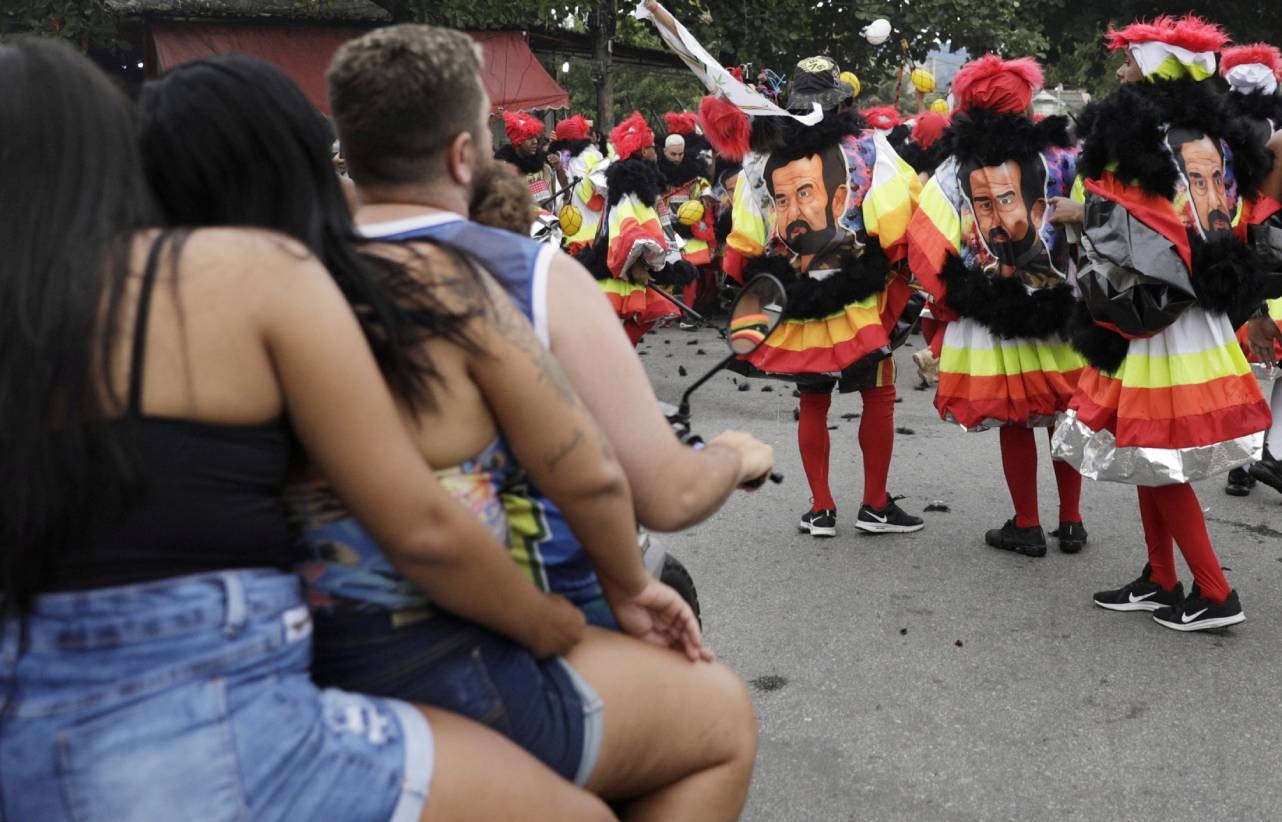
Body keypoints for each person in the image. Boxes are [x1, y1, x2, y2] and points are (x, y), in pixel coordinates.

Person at [0, 38, 613, 822]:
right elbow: (427, 531)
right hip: (226, 719)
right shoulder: (243, 277)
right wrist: (550, 623)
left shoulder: (46, 336)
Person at [329, 26, 761, 817]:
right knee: (723, 714)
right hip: (475, 646)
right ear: (466, 155)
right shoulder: (524, 276)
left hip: (312, 650)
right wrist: (733, 454)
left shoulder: (285, 266)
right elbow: (655, 493)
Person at [1052, 15, 1274, 631]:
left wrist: (1079, 209)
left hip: (1154, 315)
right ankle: (1160, 577)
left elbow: (1137, 223)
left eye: (1128, 59)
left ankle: (1215, 592)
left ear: (1154, 68)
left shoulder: (1142, 137)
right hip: (1193, 310)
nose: (1121, 68)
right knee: (1149, 451)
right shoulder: (1212, 136)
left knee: (1158, 450)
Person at [696, 51, 926, 538]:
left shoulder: (760, 159)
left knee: (814, 400)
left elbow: (744, 240)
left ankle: (821, 507)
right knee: (879, 393)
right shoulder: (866, 146)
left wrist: (754, 275)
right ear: (839, 101)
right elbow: (896, 219)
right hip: (861, 297)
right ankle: (875, 505)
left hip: (797, 296)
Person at [906, 54, 1087, 557]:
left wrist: (953, 296)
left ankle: (1026, 524)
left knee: (1015, 418)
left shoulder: (954, 167)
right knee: (1062, 411)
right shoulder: (1059, 156)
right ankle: (1071, 521)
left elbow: (926, 242)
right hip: (1057, 304)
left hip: (991, 311)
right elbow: (1096, 216)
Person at [1219, 43, 1282, 496]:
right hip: (1260, 255)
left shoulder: (1213, 128)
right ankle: (1266, 456)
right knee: (1266, 365)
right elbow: (1263, 213)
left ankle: (1247, 462)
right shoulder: (1275, 133)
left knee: (1245, 367)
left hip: (1235, 254)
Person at [658, 112, 719, 315]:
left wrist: (706, 196)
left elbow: (704, 186)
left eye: (680, 154)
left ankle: (688, 314)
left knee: (691, 271)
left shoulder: (694, 173)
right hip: (664, 230)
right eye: (672, 154)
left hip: (689, 229)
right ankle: (664, 312)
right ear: (664, 151)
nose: (677, 158)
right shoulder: (656, 174)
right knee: (664, 271)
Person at [548, 114, 607, 255]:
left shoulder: (566, 157)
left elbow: (564, 188)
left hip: (578, 227)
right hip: (600, 222)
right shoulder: (595, 154)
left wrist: (558, 166)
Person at [495, 109, 565, 209]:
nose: (535, 141)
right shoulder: (503, 167)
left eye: (535, 137)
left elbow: (565, 194)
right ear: (517, 141)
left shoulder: (545, 160)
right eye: (529, 138)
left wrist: (559, 168)